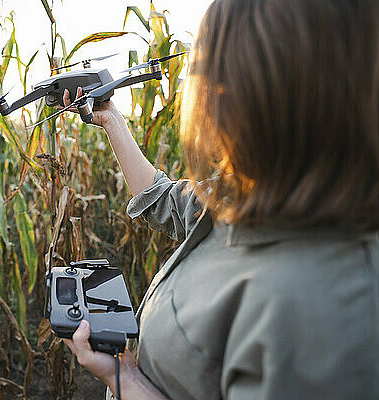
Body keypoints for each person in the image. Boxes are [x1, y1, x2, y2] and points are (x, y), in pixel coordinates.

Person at [61, 0, 379, 399]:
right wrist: (112, 120)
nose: (209, 97)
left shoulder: (328, 305)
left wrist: (127, 382)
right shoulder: (252, 190)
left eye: (218, 75)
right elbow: (163, 200)